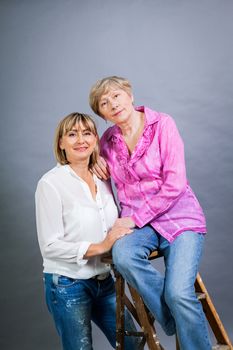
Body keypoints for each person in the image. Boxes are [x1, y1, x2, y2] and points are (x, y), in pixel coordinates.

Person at [89, 76, 212, 350]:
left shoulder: (163, 124)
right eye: (105, 103)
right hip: (142, 228)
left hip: (180, 219)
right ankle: (170, 316)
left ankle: (175, 308)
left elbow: (175, 184)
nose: (113, 104)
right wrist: (93, 158)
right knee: (123, 255)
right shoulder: (108, 140)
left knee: (179, 292)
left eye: (116, 96)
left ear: (130, 95)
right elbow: (82, 152)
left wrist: (135, 218)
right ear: (104, 115)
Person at [35, 112, 139, 350]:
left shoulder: (102, 176)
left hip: (104, 280)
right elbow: (49, 247)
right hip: (68, 284)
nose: (80, 140)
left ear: (95, 139)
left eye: (87, 133)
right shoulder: (50, 183)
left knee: (133, 343)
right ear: (61, 142)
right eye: (72, 134)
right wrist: (102, 246)